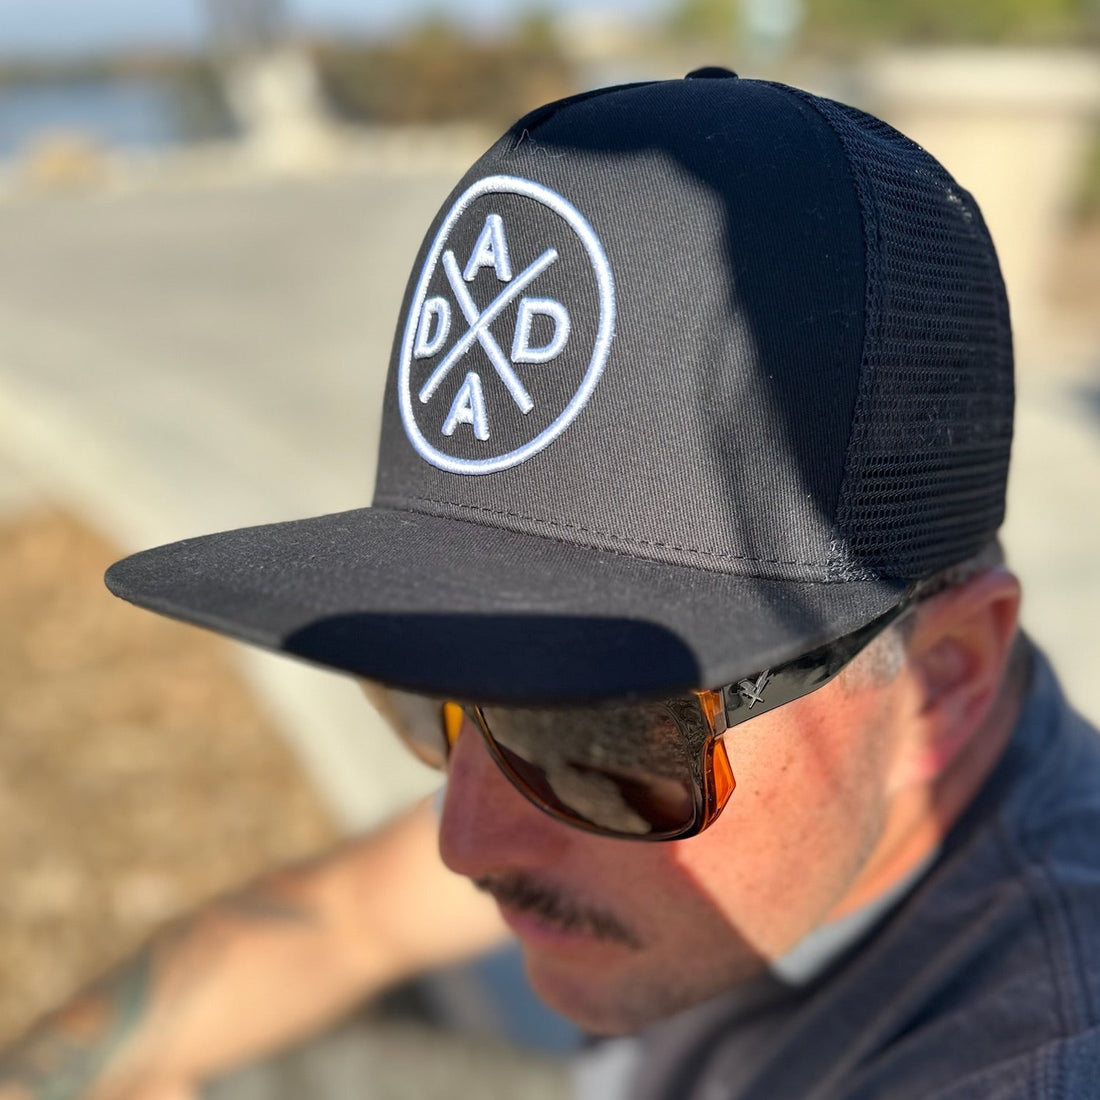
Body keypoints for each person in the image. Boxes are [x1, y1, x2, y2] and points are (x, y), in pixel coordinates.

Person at [4, 68, 1100, 1099]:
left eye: (599, 729)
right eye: (431, 684)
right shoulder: (721, 827)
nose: (463, 836)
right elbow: (342, 919)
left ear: (938, 682)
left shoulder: (1031, 1046)